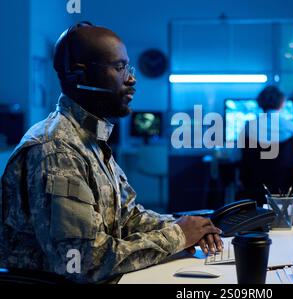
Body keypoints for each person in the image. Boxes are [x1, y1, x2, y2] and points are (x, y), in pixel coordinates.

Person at [0, 22, 222, 283]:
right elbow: (83, 261)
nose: (131, 78)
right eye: (119, 68)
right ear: (80, 76)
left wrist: (187, 225)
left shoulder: (90, 139)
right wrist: (178, 236)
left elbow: (127, 218)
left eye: (128, 67)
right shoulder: (58, 149)